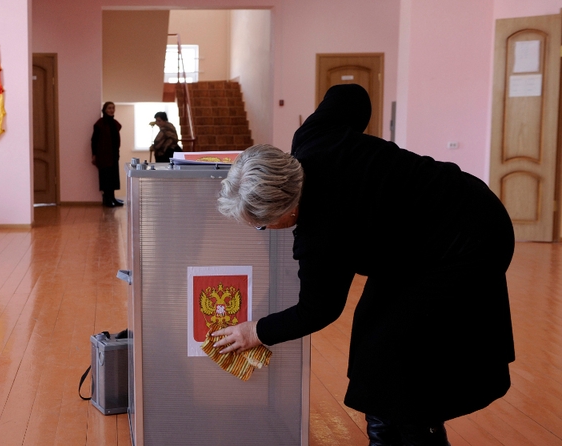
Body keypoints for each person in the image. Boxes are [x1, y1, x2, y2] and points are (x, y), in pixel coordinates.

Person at [213, 84, 515, 446]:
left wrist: (254, 332)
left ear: (287, 210)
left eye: (263, 225)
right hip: (425, 236)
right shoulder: (312, 137)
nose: (265, 231)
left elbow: (317, 310)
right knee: (374, 330)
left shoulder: (321, 232)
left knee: (400, 344)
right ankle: (385, 434)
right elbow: (350, 93)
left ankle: (422, 434)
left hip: (470, 240)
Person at [91, 101, 123, 207]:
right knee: (106, 177)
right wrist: (94, 154)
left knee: (113, 176)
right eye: (109, 108)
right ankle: (107, 199)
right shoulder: (100, 124)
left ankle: (112, 197)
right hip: (103, 155)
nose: (111, 110)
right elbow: (94, 140)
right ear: (104, 110)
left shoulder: (115, 124)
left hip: (113, 154)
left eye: (113, 108)